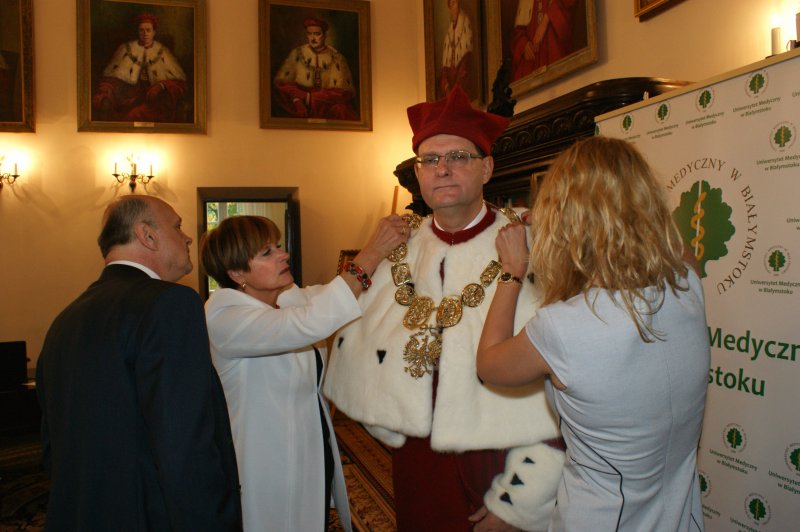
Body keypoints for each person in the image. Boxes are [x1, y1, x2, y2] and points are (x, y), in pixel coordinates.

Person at [324, 85, 564, 531]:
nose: (443, 169)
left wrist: (520, 501)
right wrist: (389, 417)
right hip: (417, 460)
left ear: (487, 167)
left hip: (503, 456)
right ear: (418, 174)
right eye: (430, 160)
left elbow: (567, 378)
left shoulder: (534, 243)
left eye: (458, 157)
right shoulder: (397, 250)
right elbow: (357, 351)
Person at [476, 136, 709, 530]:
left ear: (565, 224)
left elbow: (489, 364)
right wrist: (628, 209)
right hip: (681, 518)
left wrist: (512, 269)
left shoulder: (564, 327)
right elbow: (677, 249)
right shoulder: (687, 285)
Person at [36, 196, 242, 531]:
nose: (188, 237)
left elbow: (53, 448)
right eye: (177, 226)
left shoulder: (65, 320)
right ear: (147, 235)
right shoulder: (170, 304)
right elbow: (185, 445)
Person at [199, 214, 407, 531]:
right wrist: (371, 252)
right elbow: (311, 322)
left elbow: (344, 295)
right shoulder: (224, 316)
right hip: (265, 461)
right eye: (267, 252)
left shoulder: (287, 299)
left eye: (277, 246)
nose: (283, 254)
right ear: (237, 273)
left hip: (311, 447)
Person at [92, 13, 189, 122]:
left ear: (154, 32)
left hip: (154, 100)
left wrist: (161, 85)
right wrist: (105, 93)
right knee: (125, 114)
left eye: (148, 30)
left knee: (136, 115)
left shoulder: (163, 52)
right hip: (130, 97)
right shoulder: (125, 49)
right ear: (137, 32)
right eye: (141, 30)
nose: (145, 34)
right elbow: (111, 78)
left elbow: (180, 83)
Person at [273, 17, 358, 120]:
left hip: (327, 105)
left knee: (342, 110)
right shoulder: (297, 53)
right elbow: (283, 84)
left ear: (325, 35)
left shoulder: (337, 58)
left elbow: (342, 93)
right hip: (299, 102)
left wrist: (309, 97)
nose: (313, 38)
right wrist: (297, 100)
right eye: (310, 34)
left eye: (317, 34)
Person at [510, 0, 576, 82]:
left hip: (553, 51)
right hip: (531, 63)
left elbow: (567, 5)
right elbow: (518, 30)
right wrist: (524, 44)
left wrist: (546, 19)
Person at [439, 0, 474, 99]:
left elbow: (466, 62)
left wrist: (455, 89)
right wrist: (446, 87)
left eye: (454, 3)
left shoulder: (465, 23)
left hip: (461, 80)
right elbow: (444, 69)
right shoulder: (449, 31)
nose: (452, 7)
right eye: (450, 5)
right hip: (451, 83)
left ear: (459, 4)